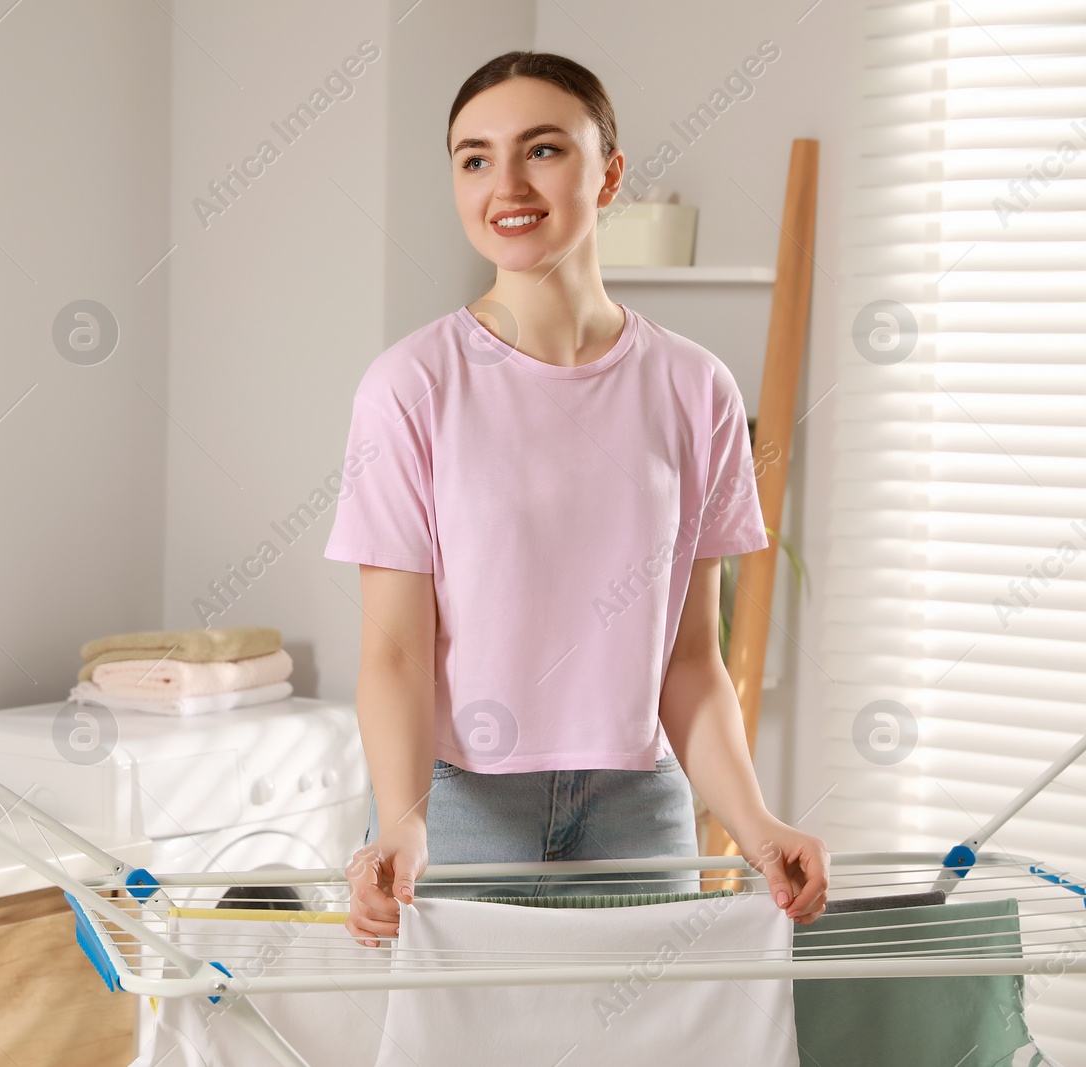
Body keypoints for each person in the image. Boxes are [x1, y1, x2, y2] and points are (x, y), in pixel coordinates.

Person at [322, 51, 829, 949]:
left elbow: (689, 662)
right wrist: (401, 819)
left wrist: (757, 827)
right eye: (474, 158)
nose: (505, 184)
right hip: (461, 810)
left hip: (638, 808)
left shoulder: (695, 388)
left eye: (543, 149)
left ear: (610, 174)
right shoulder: (410, 385)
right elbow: (396, 653)